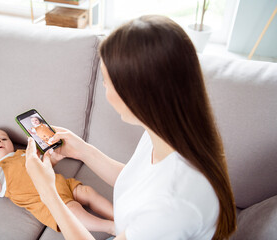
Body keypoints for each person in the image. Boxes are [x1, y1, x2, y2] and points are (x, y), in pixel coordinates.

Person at [25, 15, 237, 240]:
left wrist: (48, 192)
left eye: (107, 81)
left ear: (138, 95)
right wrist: (82, 150)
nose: (104, 89)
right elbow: (138, 184)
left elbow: (157, 202)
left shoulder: (174, 206)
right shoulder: (165, 133)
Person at [0, 129, 115, 235]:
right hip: (43, 201)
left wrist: (54, 158)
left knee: (87, 191)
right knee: (72, 211)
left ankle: (116, 215)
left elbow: (44, 167)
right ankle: (108, 227)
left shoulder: (23, 154)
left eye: (3, 138)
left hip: (61, 183)